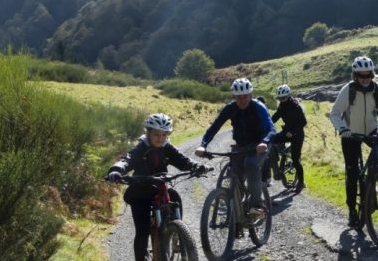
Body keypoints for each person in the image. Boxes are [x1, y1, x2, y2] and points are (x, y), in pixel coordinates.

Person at [106, 113, 210, 261]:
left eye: (164, 135)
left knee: (174, 196)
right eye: (156, 134)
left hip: (160, 188)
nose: (160, 138)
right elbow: (127, 160)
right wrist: (117, 169)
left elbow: (182, 160)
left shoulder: (167, 147)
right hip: (140, 191)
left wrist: (196, 166)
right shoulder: (141, 147)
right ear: (148, 132)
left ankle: (177, 232)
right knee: (142, 231)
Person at [328, 56, 378, 227]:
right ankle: (352, 211)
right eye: (361, 76)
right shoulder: (348, 90)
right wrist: (343, 130)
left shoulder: (377, 89)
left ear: (372, 74)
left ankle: (376, 185)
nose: (365, 79)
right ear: (355, 76)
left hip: (371, 131)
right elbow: (334, 113)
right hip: (351, 134)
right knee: (353, 173)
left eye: (368, 75)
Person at [195, 78, 275, 218]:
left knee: (251, 164)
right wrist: (203, 145)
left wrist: (265, 142)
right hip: (240, 146)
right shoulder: (230, 108)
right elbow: (214, 128)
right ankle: (236, 207)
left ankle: (257, 206)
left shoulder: (258, 107)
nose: (242, 100)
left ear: (251, 95)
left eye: (245, 96)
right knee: (234, 173)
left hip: (259, 145)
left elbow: (271, 129)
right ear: (234, 96)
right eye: (238, 97)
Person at [268, 84, 308, 193]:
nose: (282, 100)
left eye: (284, 98)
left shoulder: (295, 106)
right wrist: (266, 125)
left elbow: (303, 122)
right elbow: (275, 117)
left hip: (297, 135)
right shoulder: (282, 106)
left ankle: (301, 182)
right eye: (280, 98)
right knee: (271, 140)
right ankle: (278, 165)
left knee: (295, 160)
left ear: (288, 96)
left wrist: (293, 132)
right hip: (286, 132)